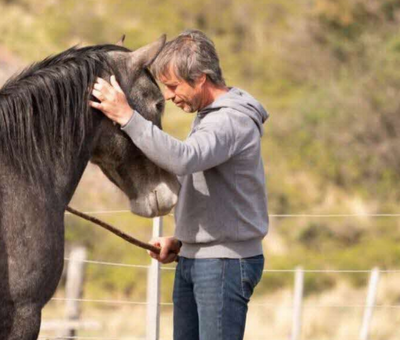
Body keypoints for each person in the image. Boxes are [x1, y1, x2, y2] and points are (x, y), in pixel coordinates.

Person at [89, 29, 269, 340]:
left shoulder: (230, 121)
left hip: (223, 264)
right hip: (198, 258)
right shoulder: (210, 117)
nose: (169, 96)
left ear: (200, 78)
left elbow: (185, 158)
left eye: (173, 86)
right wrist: (185, 240)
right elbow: (210, 186)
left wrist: (127, 117)